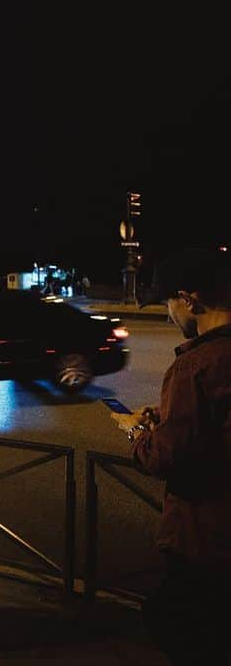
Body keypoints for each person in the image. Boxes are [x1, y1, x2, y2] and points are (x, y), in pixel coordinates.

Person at [109, 248, 231, 665]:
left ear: (190, 299)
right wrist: (171, 414)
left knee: (179, 626)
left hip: (205, 538)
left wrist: (138, 432)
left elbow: (166, 458)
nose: (168, 316)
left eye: (168, 304)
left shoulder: (194, 366)